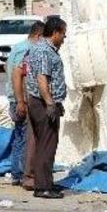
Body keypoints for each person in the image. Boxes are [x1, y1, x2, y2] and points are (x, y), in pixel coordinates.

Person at [24, 17, 68, 199]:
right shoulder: (44, 51)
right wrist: (50, 103)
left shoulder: (43, 48)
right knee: (46, 145)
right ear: (56, 32)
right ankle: (42, 187)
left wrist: (57, 103)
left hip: (46, 102)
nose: (64, 39)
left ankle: (46, 183)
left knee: (47, 143)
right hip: (42, 104)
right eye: (63, 35)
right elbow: (42, 79)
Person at [5, 20, 45, 187]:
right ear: (38, 35)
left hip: (16, 98)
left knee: (20, 137)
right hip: (21, 99)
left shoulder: (18, 47)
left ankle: (17, 173)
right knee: (24, 138)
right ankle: (21, 174)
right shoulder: (26, 49)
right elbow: (18, 75)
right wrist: (21, 101)